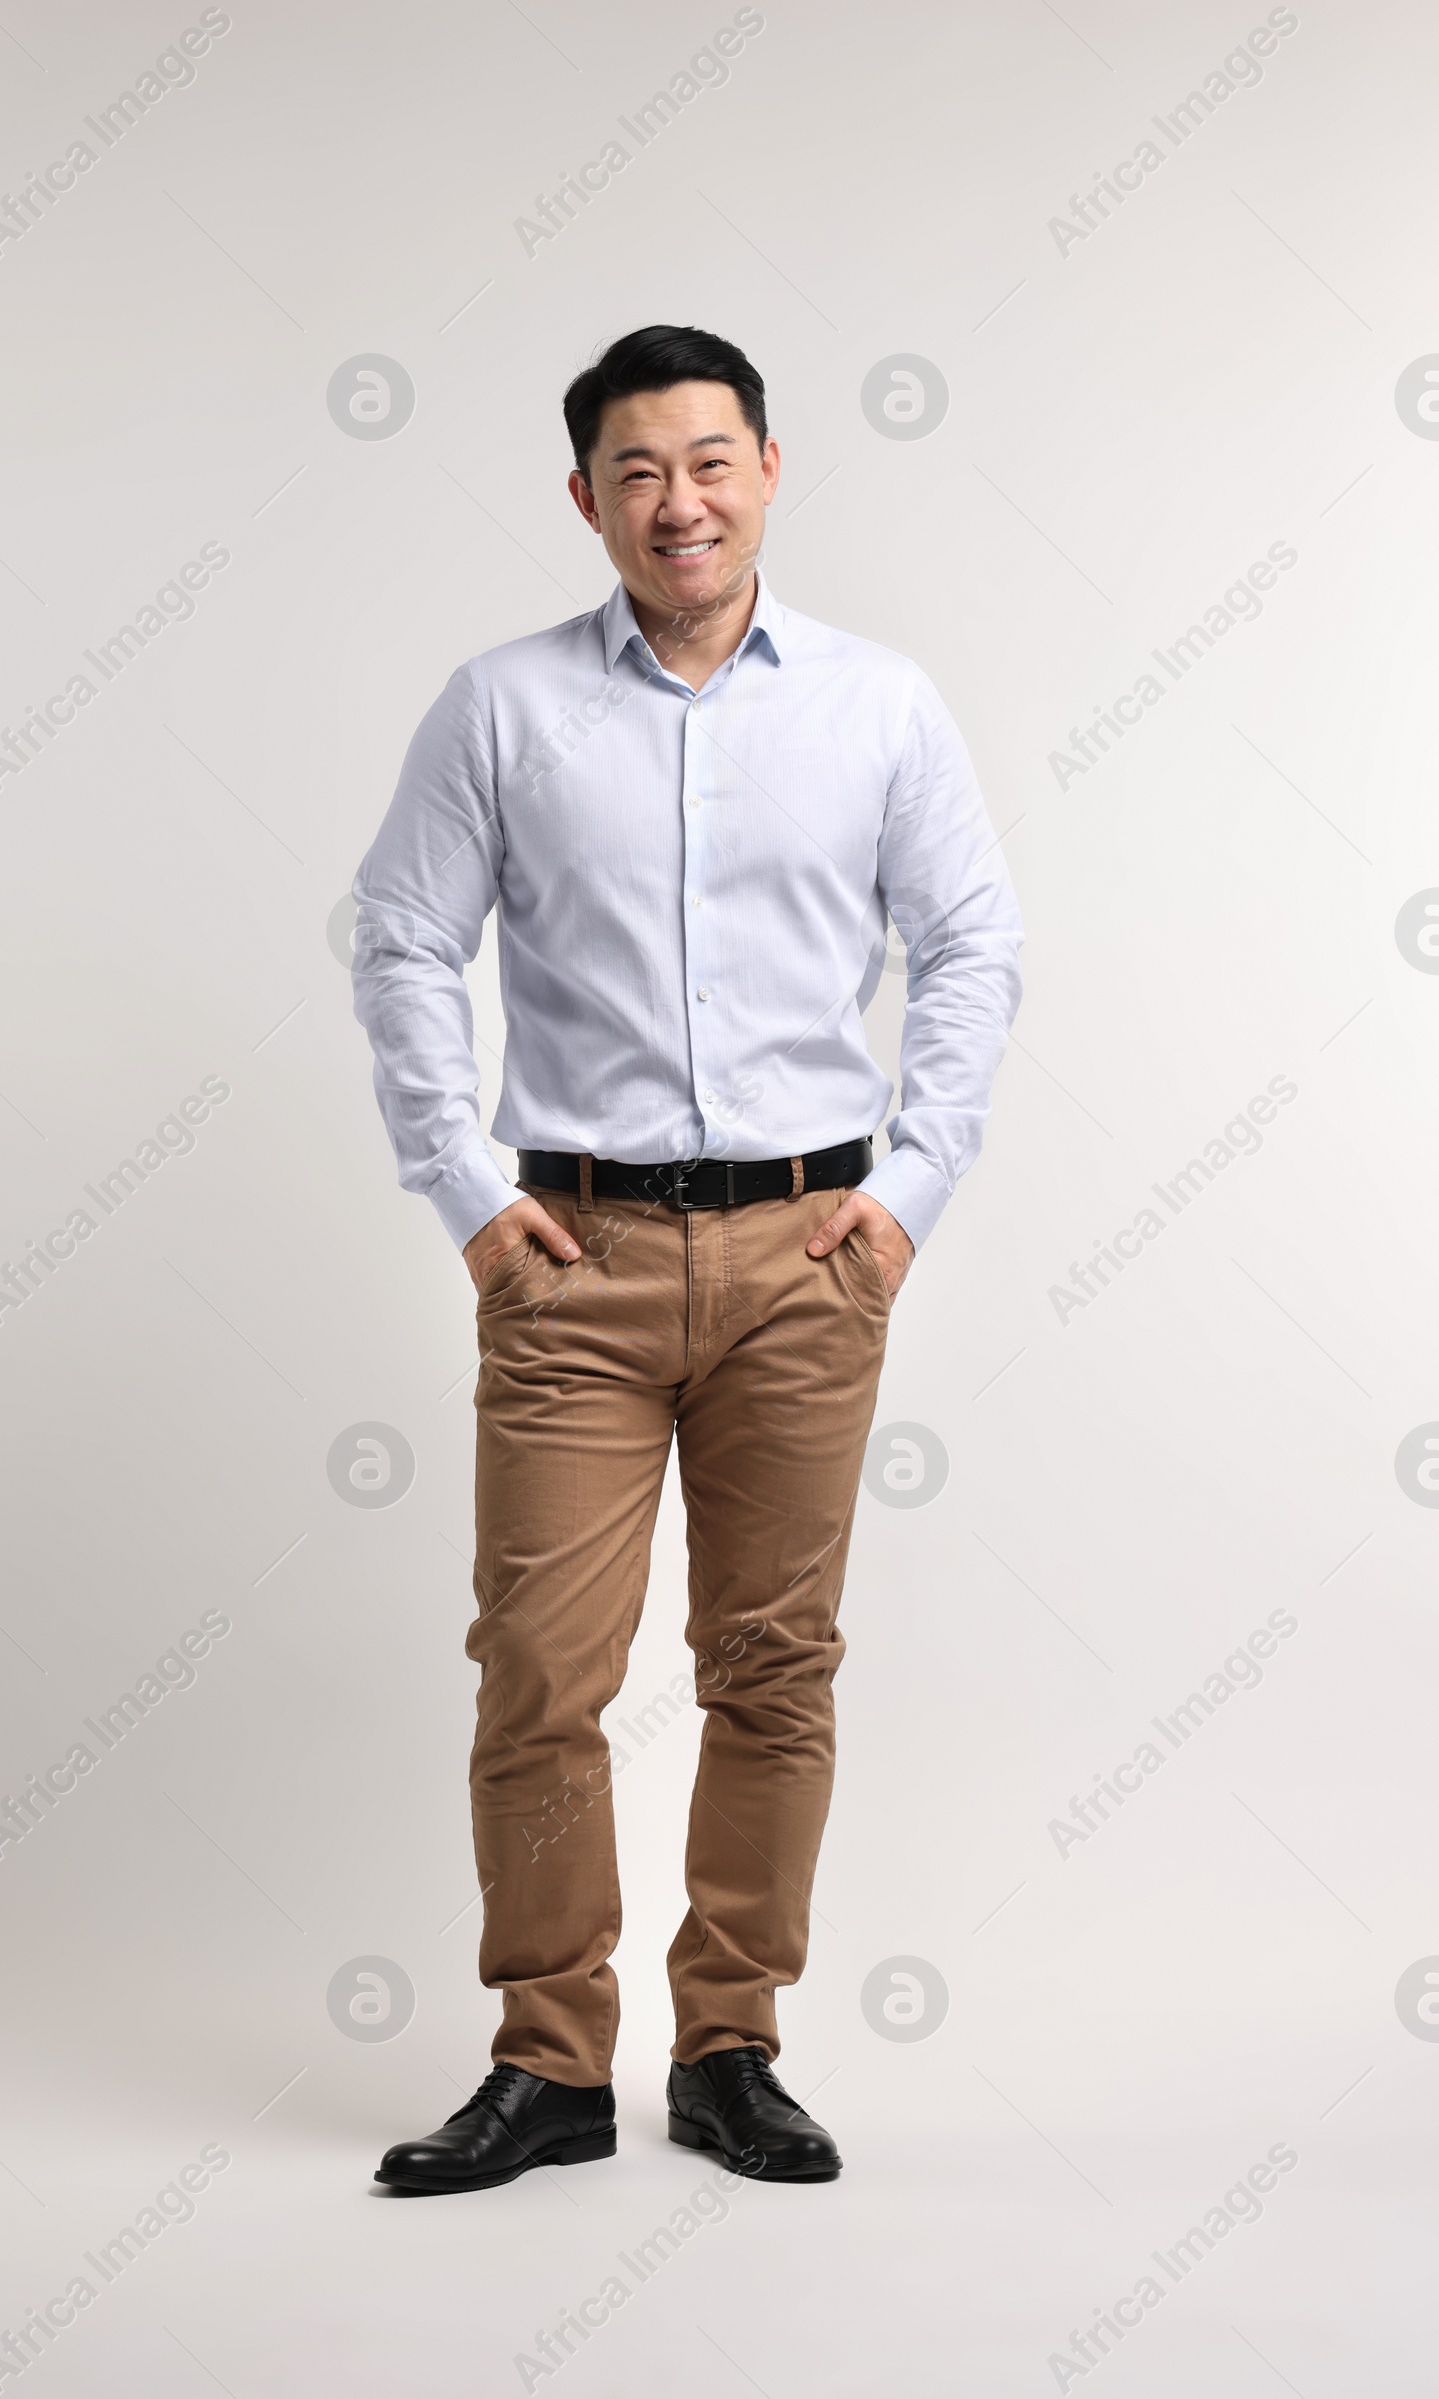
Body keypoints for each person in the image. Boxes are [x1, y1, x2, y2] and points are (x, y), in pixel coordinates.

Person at [351, 324, 1021, 2195]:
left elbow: (973, 946)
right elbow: (402, 939)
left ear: (771, 470)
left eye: (711, 461)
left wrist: (907, 1199)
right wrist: (468, 1194)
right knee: (538, 1674)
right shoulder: (501, 708)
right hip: (573, 1261)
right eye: (638, 472)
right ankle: (554, 2063)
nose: (680, 502)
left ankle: (732, 2048)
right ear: (587, 500)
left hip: (813, 1256)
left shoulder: (881, 707)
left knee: (774, 1665)